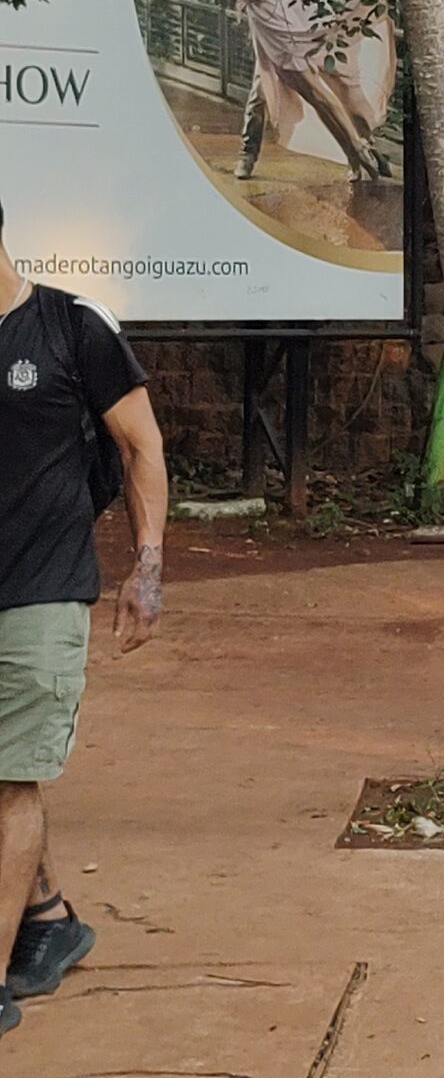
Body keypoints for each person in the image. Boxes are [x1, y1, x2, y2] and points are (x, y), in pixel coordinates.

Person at [0, 200, 166, 1039]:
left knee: (8, 779)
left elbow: (140, 447)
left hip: (41, 588)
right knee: (5, 773)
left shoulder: (67, 327)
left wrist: (147, 570)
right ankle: (50, 918)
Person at [229, 0, 399, 184]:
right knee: (261, 94)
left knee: (344, 86)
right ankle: (247, 154)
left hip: (309, 29)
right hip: (277, 41)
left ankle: (365, 150)